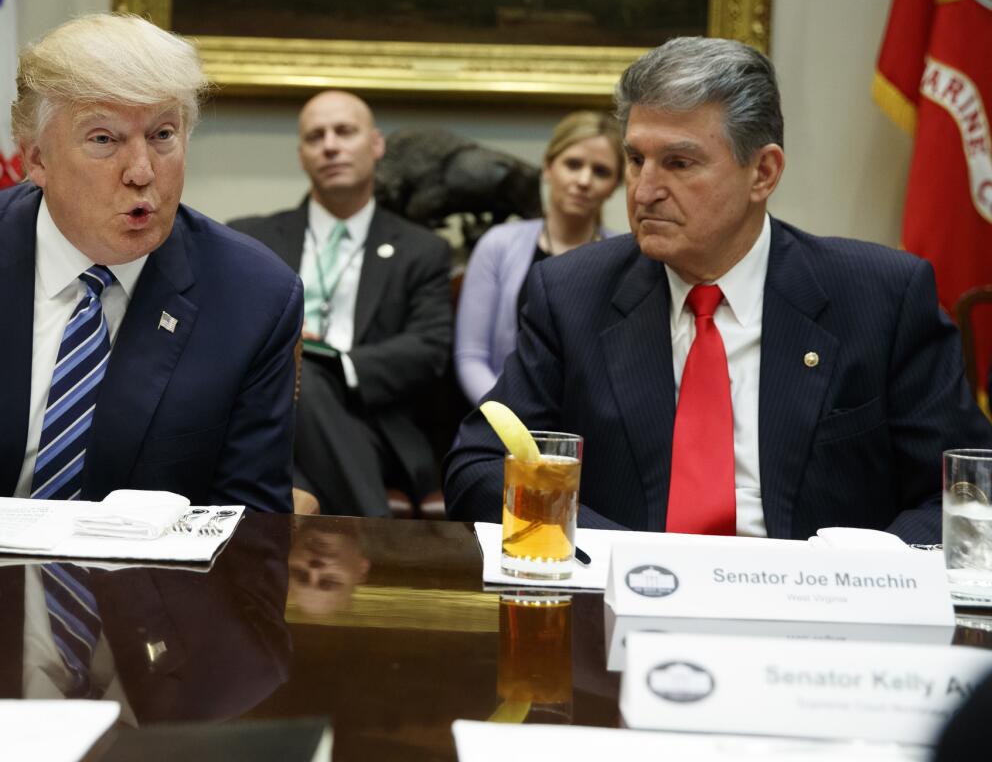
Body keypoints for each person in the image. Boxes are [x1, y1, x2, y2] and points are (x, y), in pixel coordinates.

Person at [444, 37, 992, 543]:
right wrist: (616, 553)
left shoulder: (880, 297)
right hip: (628, 606)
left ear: (763, 173)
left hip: (819, 616)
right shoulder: (572, 293)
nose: (646, 190)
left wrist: (862, 570)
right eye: (636, 160)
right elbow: (480, 465)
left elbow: (969, 487)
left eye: (679, 163)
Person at [0, 14, 302, 513]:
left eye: (163, 134)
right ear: (36, 159)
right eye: (104, 139)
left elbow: (248, 532)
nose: (142, 171)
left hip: (148, 590)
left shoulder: (254, 297)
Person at [232, 90, 452, 517]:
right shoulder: (253, 239)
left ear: (376, 145)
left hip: (374, 423)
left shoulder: (421, 249)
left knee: (305, 374)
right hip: (268, 414)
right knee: (292, 396)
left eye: (344, 132)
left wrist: (335, 362)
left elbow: (430, 348)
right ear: (301, 156)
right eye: (316, 137)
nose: (330, 145)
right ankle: (372, 543)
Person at [454, 111, 623, 404]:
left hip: (592, 426)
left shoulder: (625, 257)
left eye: (601, 171)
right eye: (573, 164)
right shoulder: (499, 245)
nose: (584, 180)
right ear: (548, 166)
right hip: (502, 420)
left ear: (615, 185)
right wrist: (508, 418)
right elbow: (471, 357)